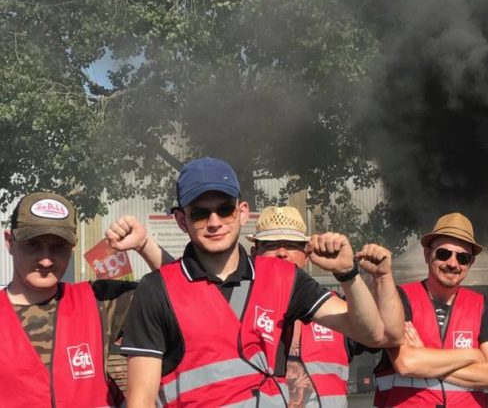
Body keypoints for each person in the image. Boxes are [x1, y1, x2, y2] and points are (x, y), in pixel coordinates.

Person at [121, 157, 401, 407]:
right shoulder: (155, 290)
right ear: (182, 220)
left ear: (242, 212)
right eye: (200, 213)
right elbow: (140, 400)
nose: (215, 222)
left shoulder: (283, 278)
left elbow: (372, 334)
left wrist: (348, 274)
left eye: (225, 209)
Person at [1, 191, 172, 407]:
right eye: (33, 245)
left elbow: (181, 294)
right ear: (10, 241)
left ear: (72, 248)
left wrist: (144, 244)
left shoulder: (99, 300)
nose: (46, 260)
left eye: (58, 247)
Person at [248, 205, 404, 408]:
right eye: (271, 245)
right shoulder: (238, 308)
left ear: (306, 254)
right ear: (254, 253)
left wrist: (381, 277)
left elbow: (391, 336)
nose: (282, 253)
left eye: (292, 245)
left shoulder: (337, 309)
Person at [373, 212, 488, 408]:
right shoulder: (401, 298)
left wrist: (426, 359)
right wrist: (472, 355)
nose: (453, 263)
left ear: (471, 263)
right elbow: (407, 363)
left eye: (462, 258)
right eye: (444, 254)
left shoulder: (482, 306)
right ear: (427, 254)